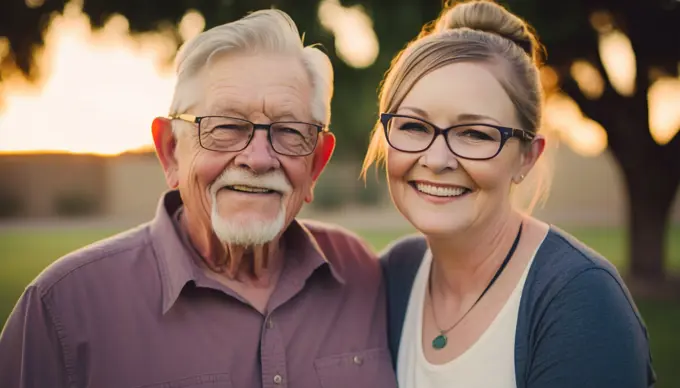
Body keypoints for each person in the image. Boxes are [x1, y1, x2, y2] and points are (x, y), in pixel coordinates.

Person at [0, 9, 398, 388]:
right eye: (225, 126)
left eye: (290, 132)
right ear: (171, 150)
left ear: (315, 165)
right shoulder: (64, 311)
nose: (259, 159)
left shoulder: (361, 275)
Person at [361, 1, 656, 387]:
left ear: (527, 157)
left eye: (476, 134)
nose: (436, 159)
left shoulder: (579, 299)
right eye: (414, 126)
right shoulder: (393, 276)